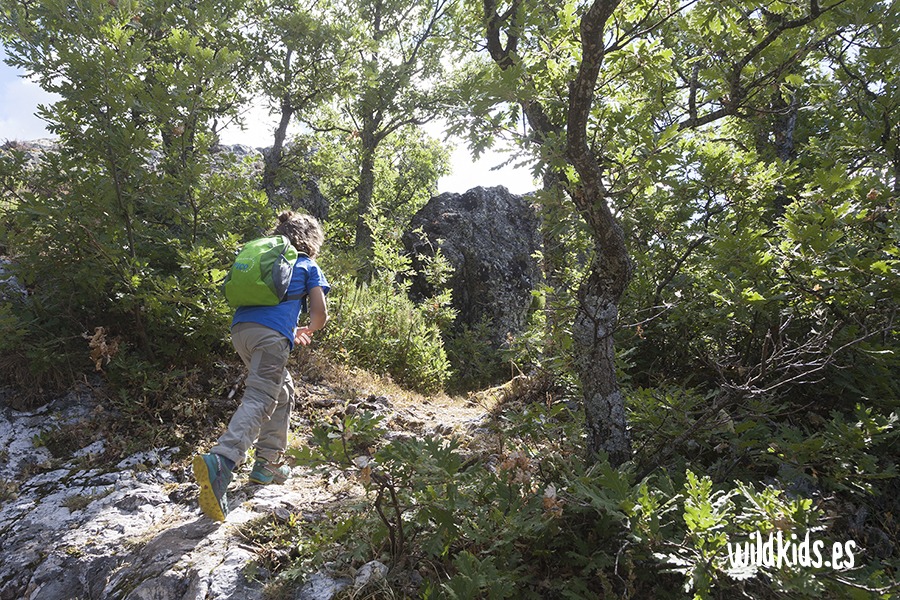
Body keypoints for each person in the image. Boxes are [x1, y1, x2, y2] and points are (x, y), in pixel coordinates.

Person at [193, 211, 330, 522]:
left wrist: (287, 330)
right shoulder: (306, 265)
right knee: (260, 398)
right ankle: (222, 461)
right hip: (270, 340)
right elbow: (319, 314)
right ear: (312, 242)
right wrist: (307, 329)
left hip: (242, 331)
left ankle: (268, 465)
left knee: (282, 390)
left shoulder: (267, 258)